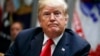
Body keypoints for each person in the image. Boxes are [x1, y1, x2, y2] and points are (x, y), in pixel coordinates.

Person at [5, 0, 91, 56]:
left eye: (57, 13)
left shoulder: (79, 47)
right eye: (47, 14)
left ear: (66, 19)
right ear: (39, 20)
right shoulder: (24, 38)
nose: (52, 18)